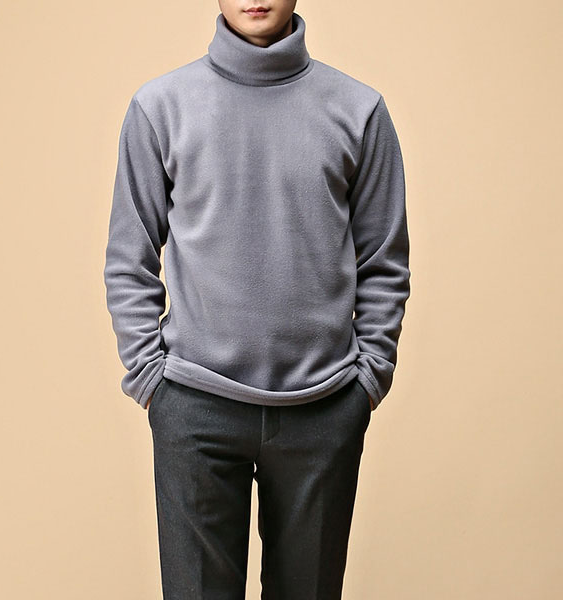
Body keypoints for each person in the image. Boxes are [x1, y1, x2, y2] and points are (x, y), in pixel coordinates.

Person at [104, 1, 411, 597]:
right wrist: (151, 378)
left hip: (323, 409)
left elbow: (384, 259)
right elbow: (128, 257)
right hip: (194, 406)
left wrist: (368, 378)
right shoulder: (160, 107)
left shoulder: (359, 110)